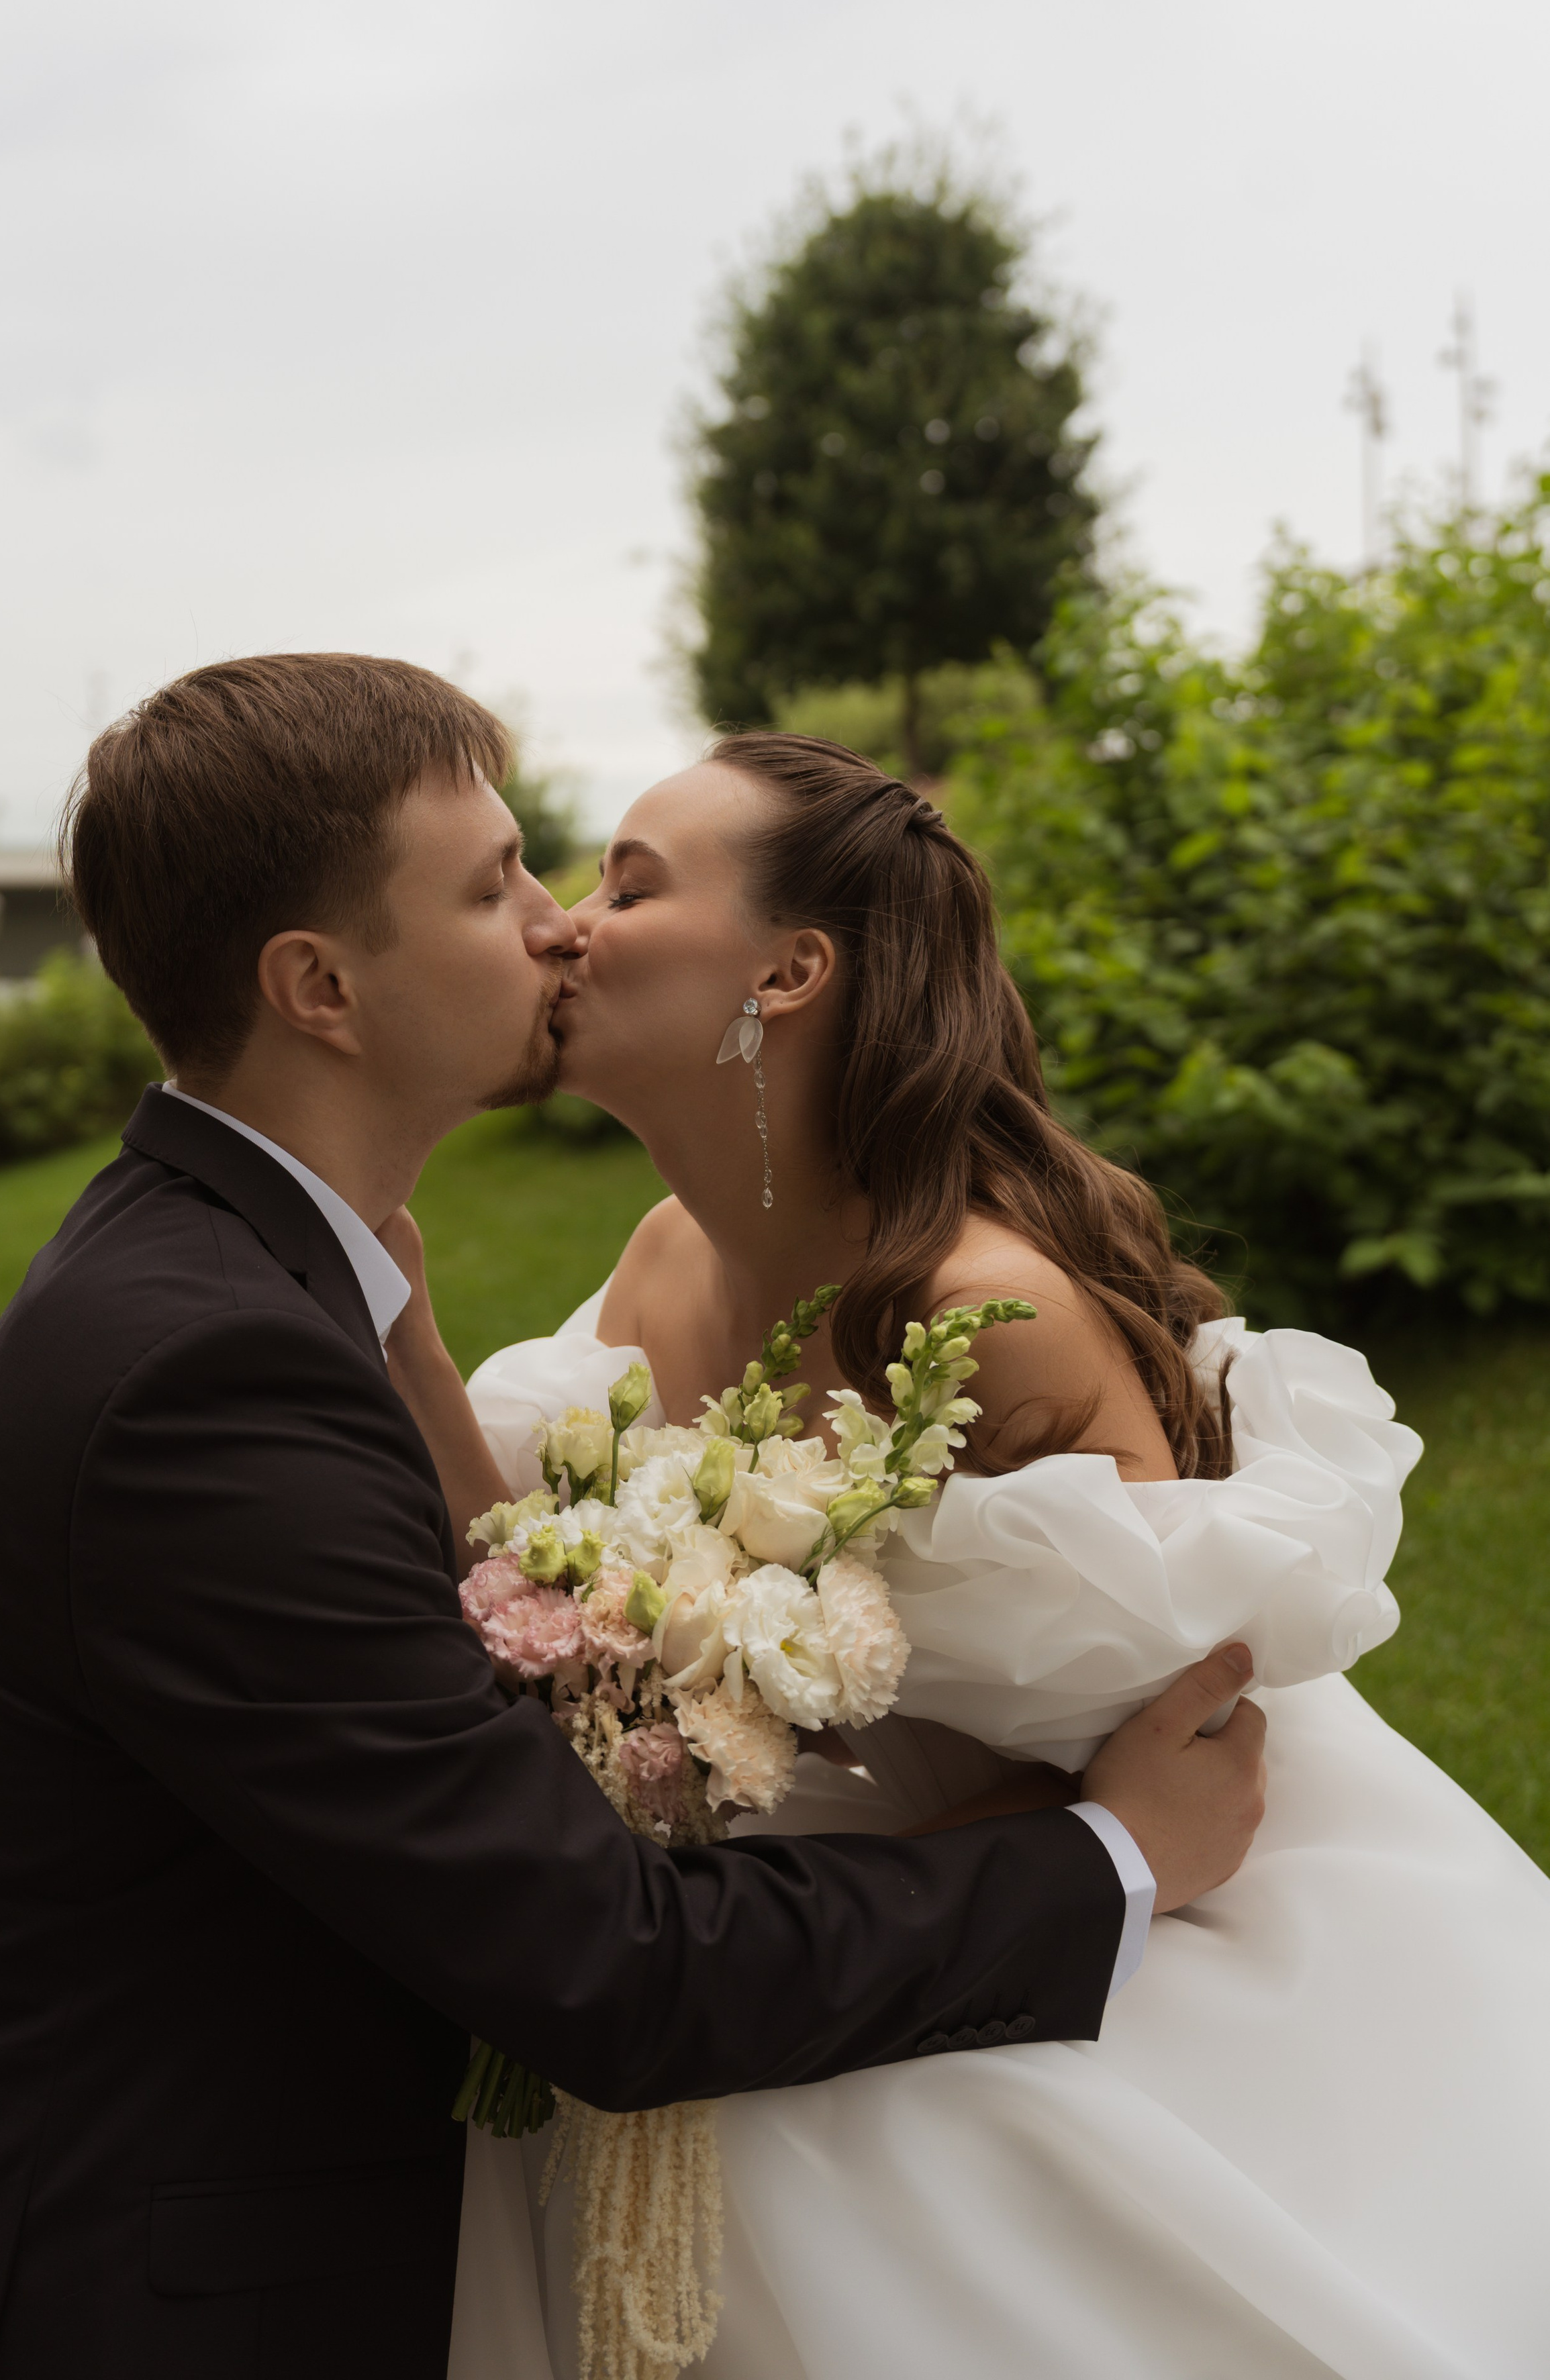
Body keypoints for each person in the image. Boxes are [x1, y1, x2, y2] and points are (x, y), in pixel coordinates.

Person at [0, 660, 1263, 2380]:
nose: (553, 928)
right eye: (497, 882)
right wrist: (1109, 1858)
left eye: (576, 878)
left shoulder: (250, 1295)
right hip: (161, 2301)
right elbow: (607, 1967)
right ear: (318, 987)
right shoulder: (208, 1372)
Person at [390, 732, 1550, 2380]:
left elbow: (1167, 1745)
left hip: (1141, 1914)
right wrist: (402, 1321)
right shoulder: (664, 1255)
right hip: (815, 1908)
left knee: (811, 2160)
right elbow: (524, 1577)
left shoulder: (980, 1315)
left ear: (788, 970)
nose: (565, 925)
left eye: (628, 886)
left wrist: (754, 1902)